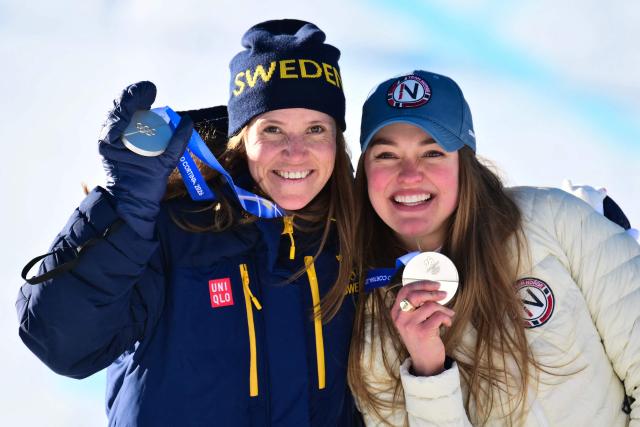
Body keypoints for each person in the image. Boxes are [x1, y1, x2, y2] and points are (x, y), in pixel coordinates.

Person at [17, 19, 360, 426]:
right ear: (241, 136)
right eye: (273, 129)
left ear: (336, 140)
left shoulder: (350, 240)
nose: (296, 152)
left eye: (316, 129)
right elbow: (63, 344)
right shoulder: (169, 232)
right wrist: (125, 213)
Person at [347, 70, 640, 426]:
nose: (410, 175)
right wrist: (428, 372)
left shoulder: (555, 221)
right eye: (387, 155)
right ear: (364, 171)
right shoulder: (365, 316)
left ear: (464, 163)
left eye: (433, 153)